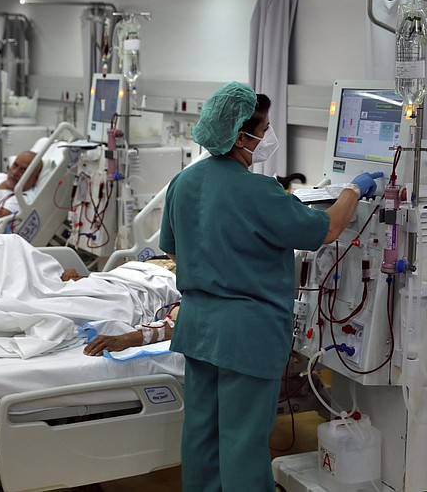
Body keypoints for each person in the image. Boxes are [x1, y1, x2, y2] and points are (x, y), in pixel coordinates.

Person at [158, 82, 382, 491]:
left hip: (198, 329)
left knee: (201, 436)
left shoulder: (183, 182)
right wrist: (353, 188)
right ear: (240, 136)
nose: (267, 138)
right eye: (263, 130)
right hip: (247, 334)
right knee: (243, 441)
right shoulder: (258, 191)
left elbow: (172, 246)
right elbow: (329, 228)